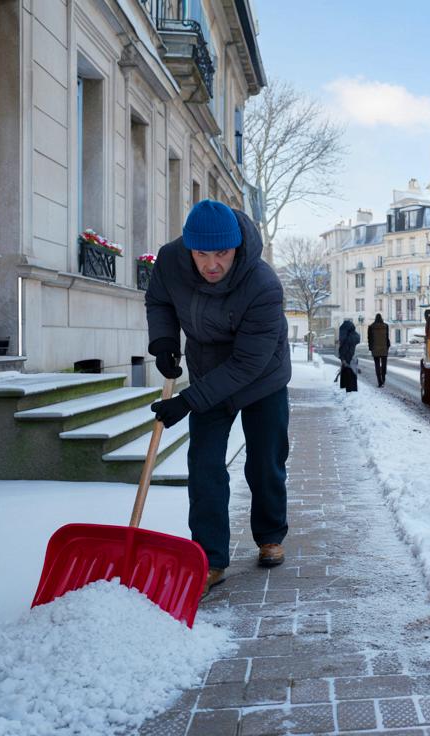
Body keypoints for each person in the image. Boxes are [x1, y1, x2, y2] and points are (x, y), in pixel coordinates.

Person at [144, 199, 291, 598]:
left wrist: (188, 401)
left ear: (236, 248)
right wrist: (163, 343)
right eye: (201, 254)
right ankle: (209, 558)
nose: (211, 264)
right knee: (204, 464)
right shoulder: (171, 261)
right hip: (208, 366)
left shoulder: (262, 284)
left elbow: (246, 365)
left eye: (221, 254)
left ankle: (270, 534)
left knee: (265, 460)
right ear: (188, 248)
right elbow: (159, 299)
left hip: (261, 375)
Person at [367, 314, 391, 387]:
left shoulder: (371, 327)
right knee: (384, 365)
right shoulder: (386, 326)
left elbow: (369, 339)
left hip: (375, 349)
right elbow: (387, 338)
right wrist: (387, 346)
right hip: (384, 349)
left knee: (377, 365)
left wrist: (370, 348)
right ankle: (383, 378)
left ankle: (379, 382)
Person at [337, 319, 359, 392]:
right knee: (352, 377)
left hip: (347, 359)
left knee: (348, 378)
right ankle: (352, 392)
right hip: (353, 358)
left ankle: (349, 392)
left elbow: (344, 349)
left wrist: (342, 357)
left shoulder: (347, 338)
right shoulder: (355, 335)